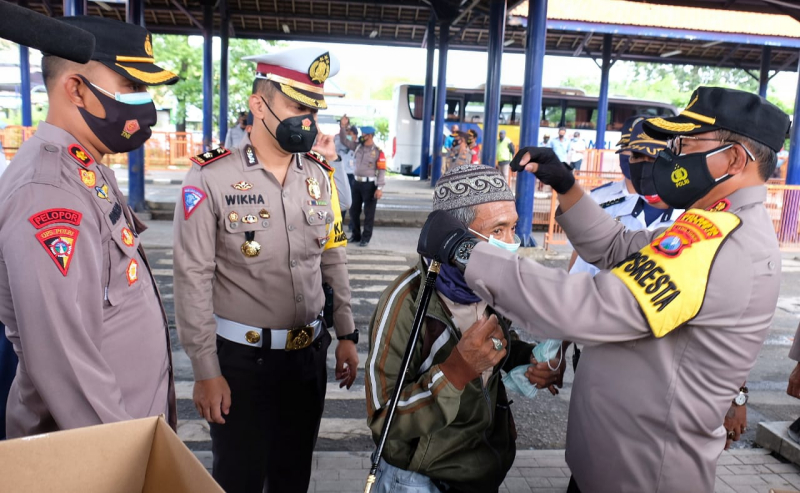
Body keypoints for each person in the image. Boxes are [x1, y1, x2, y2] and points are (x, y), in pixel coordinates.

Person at [416, 86, 790, 493]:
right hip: (623, 463)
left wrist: (467, 250)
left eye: (685, 143)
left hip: (641, 476)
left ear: (734, 158)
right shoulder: (711, 227)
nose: (673, 154)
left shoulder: (721, 244)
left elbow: (584, 309)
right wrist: (568, 187)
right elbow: (617, 248)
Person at [173, 47, 359, 493]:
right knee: (239, 478)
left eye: (313, 110)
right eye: (297, 107)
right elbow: (192, 277)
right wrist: (205, 369)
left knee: (293, 477)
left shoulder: (320, 175)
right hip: (241, 365)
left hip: (307, 358)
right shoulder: (210, 178)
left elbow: (332, 254)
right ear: (260, 104)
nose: (308, 121)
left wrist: (347, 334)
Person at [0, 16, 178, 439]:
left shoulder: (85, 168)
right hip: (99, 453)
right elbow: (63, 361)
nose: (144, 100)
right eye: (132, 86)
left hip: (130, 427)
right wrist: (128, 456)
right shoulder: (48, 191)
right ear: (76, 88)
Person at [366, 164, 560, 493]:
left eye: (513, 228)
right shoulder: (407, 303)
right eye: (497, 231)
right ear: (452, 237)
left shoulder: (493, 288)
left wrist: (529, 360)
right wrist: (456, 372)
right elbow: (384, 418)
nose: (511, 243)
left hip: (484, 470)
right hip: (418, 480)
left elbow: (501, 343)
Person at [339, 118, 386, 247]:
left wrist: (380, 188)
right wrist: (343, 127)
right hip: (356, 183)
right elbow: (344, 140)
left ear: (369, 136)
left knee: (369, 213)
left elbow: (382, 170)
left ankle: (366, 238)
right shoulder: (357, 147)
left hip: (370, 185)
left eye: (363, 135)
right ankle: (355, 235)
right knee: (354, 210)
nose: (361, 136)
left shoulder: (378, 151)